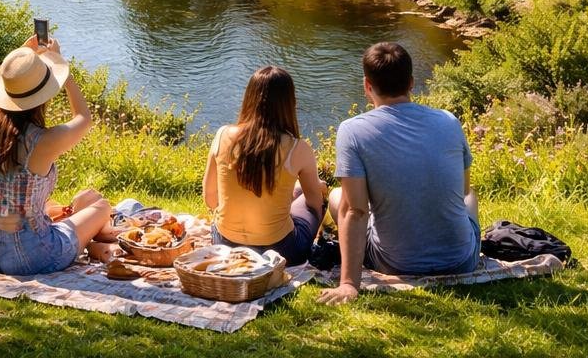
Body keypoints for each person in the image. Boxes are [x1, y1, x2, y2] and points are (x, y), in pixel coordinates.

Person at [319, 43, 479, 305]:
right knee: (469, 196)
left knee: (339, 196)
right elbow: (462, 190)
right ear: (412, 82)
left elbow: (356, 211)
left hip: (393, 262)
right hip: (461, 260)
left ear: (367, 86)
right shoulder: (449, 121)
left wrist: (348, 284)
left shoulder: (352, 131)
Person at [0, 36, 113, 275]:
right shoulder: (43, 142)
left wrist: (20, 61)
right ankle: (97, 244)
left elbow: (0, 100)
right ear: (42, 98)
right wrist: (63, 70)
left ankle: (94, 242)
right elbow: (84, 118)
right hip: (32, 257)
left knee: (61, 210)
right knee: (101, 207)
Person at [202, 66, 326, 265]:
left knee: (295, 193)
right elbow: (314, 203)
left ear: (249, 97)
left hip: (225, 244)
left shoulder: (223, 134)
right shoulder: (297, 148)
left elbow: (210, 199)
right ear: (289, 103)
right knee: (315, 200)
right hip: (280, 250)